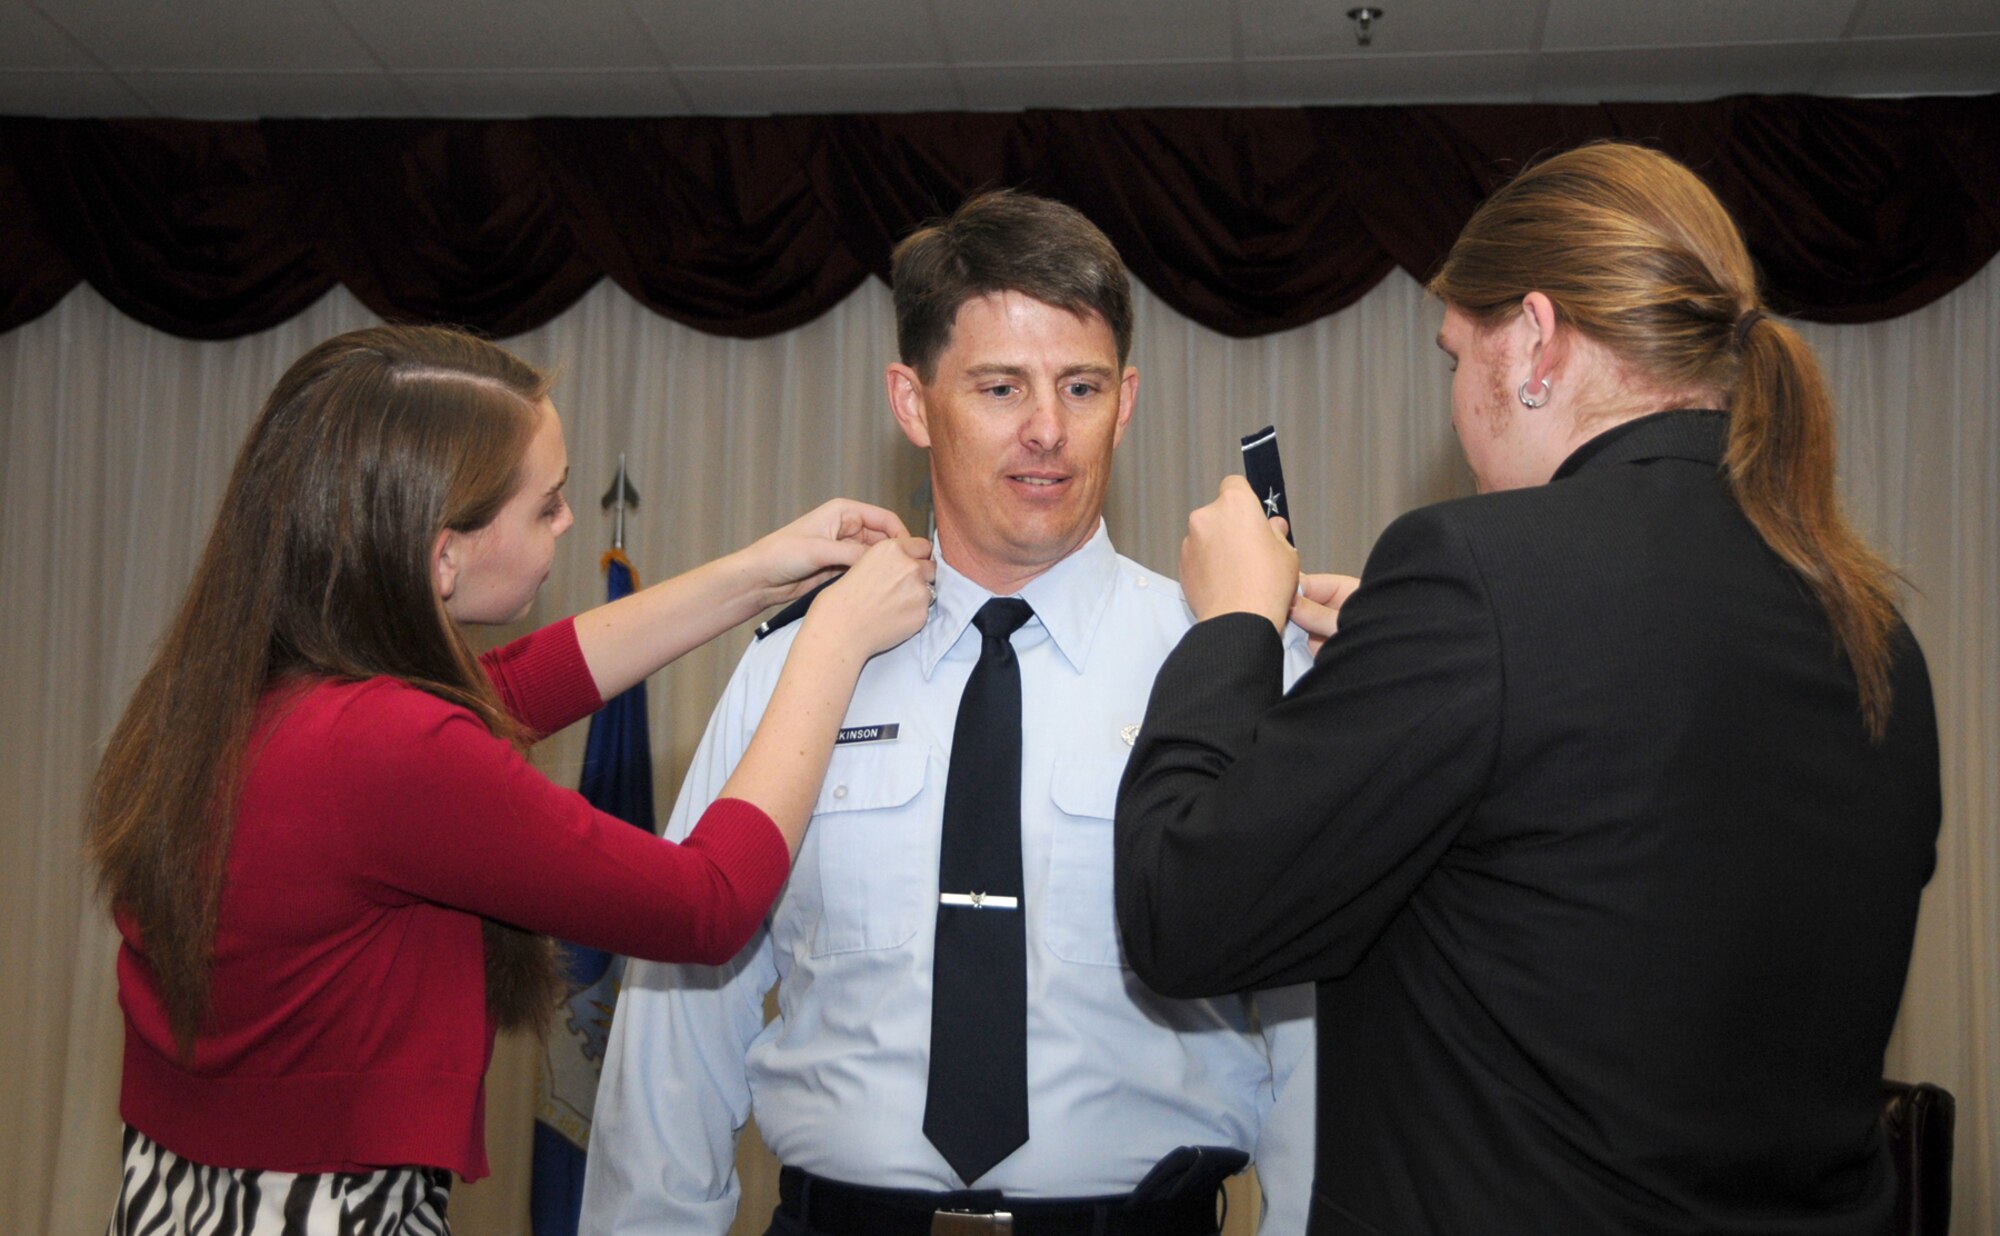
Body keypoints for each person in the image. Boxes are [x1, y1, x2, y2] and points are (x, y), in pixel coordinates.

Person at [1114, 141, 1942, 1235]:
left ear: (1535, 342)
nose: (1456, 406)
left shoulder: (1474, 571)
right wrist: (1419, 666)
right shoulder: (1868, 623)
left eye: (1456, 357)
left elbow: (1184, 912)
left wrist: (1228, 627)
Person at [88, 324, 935, 1234]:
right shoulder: (393, 748)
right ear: (442, 553)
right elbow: (707, 903)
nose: (568, 523)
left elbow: (507, 691)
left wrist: (757, 574)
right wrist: (832, 645)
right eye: (547, 506)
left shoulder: (250, 688)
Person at [581, 190, 1314, 1236]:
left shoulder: (1226, 658)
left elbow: (1308, 1018)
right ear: (913, 401)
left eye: (1080, 386)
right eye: (1000, 386)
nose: (1047, 432)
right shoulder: (798, 666)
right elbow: (684, 1012)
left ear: (1128, 399)